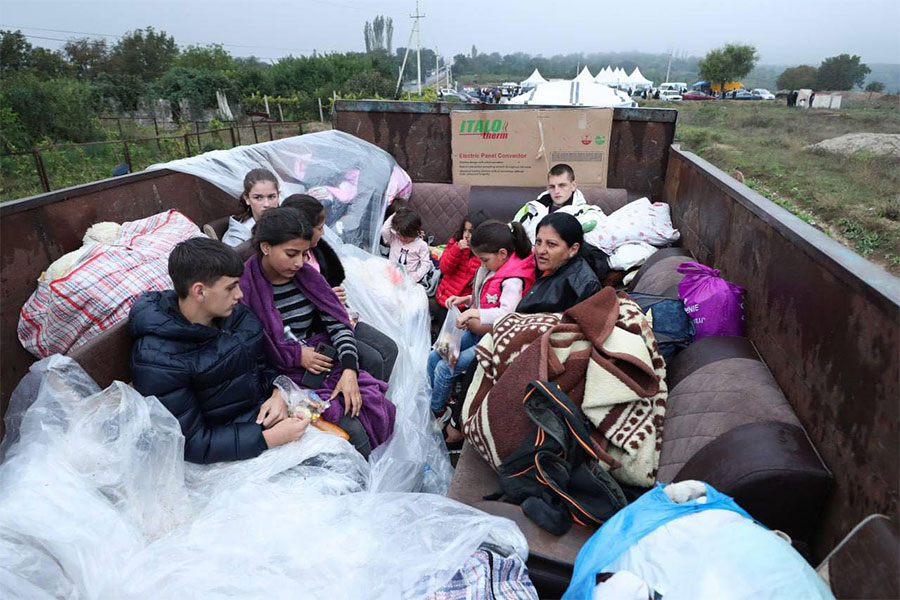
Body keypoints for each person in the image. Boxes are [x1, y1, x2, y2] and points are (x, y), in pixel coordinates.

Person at [130, 237, 309, 464]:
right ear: (200, 292)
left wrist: (279, 393)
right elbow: (190, 442)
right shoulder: (158, 359)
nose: (239, 294)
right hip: (228, 453)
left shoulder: (236, 318)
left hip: (265, 424)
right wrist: (268, 439)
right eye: (230, 287)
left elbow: (263, 366)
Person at [239, 207, 396, 459]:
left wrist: (349, 369)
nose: (299, 263)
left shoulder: (307, 277)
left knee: (370, 405)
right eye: (291, 254)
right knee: (354, 428)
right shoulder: (244, 289)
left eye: (304, 254)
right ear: (266, 247)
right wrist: (295, 358)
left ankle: (375, 463)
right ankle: (363, 473)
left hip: (320, 361)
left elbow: (337, 323)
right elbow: (251, 353)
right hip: (281, 376)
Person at [427, 220, 535, 436]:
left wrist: (473, 313)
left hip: (491, 340)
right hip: (476, 331)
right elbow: (487, 297)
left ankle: (438, 410)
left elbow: (507, 313)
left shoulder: (513, 280)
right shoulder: (495, 268)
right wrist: (466, 300)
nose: (481, 263)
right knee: (434, 356)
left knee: (445, 368)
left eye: (484, 259)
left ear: (502, 253)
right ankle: (435, 396)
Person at [281, 193, 399, 382]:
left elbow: (328, 290)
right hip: (317, 328)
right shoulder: (291, 265)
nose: (323, 233)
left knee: (390, 349)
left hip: (337, 317)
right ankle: (366, 394)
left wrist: (333, 298)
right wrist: (327, 301)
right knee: (373, 360)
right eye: (319, 228)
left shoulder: (317, 252)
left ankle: (376, 394)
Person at [516, 212, 603, 314]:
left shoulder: (585, 286)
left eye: (551, 244)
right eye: (538, 242)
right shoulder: (534, 264)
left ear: (573, 249)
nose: (540, 250)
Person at [430, 210, 490, 333]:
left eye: (471, 231)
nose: (466, 235)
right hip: (445, 298)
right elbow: (445, 268)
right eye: (465, 230)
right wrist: (457, 250)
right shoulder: (455, 243)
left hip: (465, 303)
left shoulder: (484, 254)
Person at [515, 163, 588, 243]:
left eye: (562, 185)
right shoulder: (532, 207)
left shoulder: (585, 214)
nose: (556, 191)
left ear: (573, 186)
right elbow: (514, 231)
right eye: (552, 187)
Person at [222, 168, 280, 247]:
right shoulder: (236, 239)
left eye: (271, 197)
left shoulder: (288, 222)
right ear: (247, 199)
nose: (266, 204)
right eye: (258, 198)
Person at [381, 207, 432, 284]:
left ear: (415, 233)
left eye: (405, 237)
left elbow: (426, 264)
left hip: (408, 279)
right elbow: (384, 230)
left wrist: (415, 277)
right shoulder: (394, 239)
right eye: (399, 235)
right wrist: (396, 214)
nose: (402, 238)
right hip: (390, 274)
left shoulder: (421, 245)